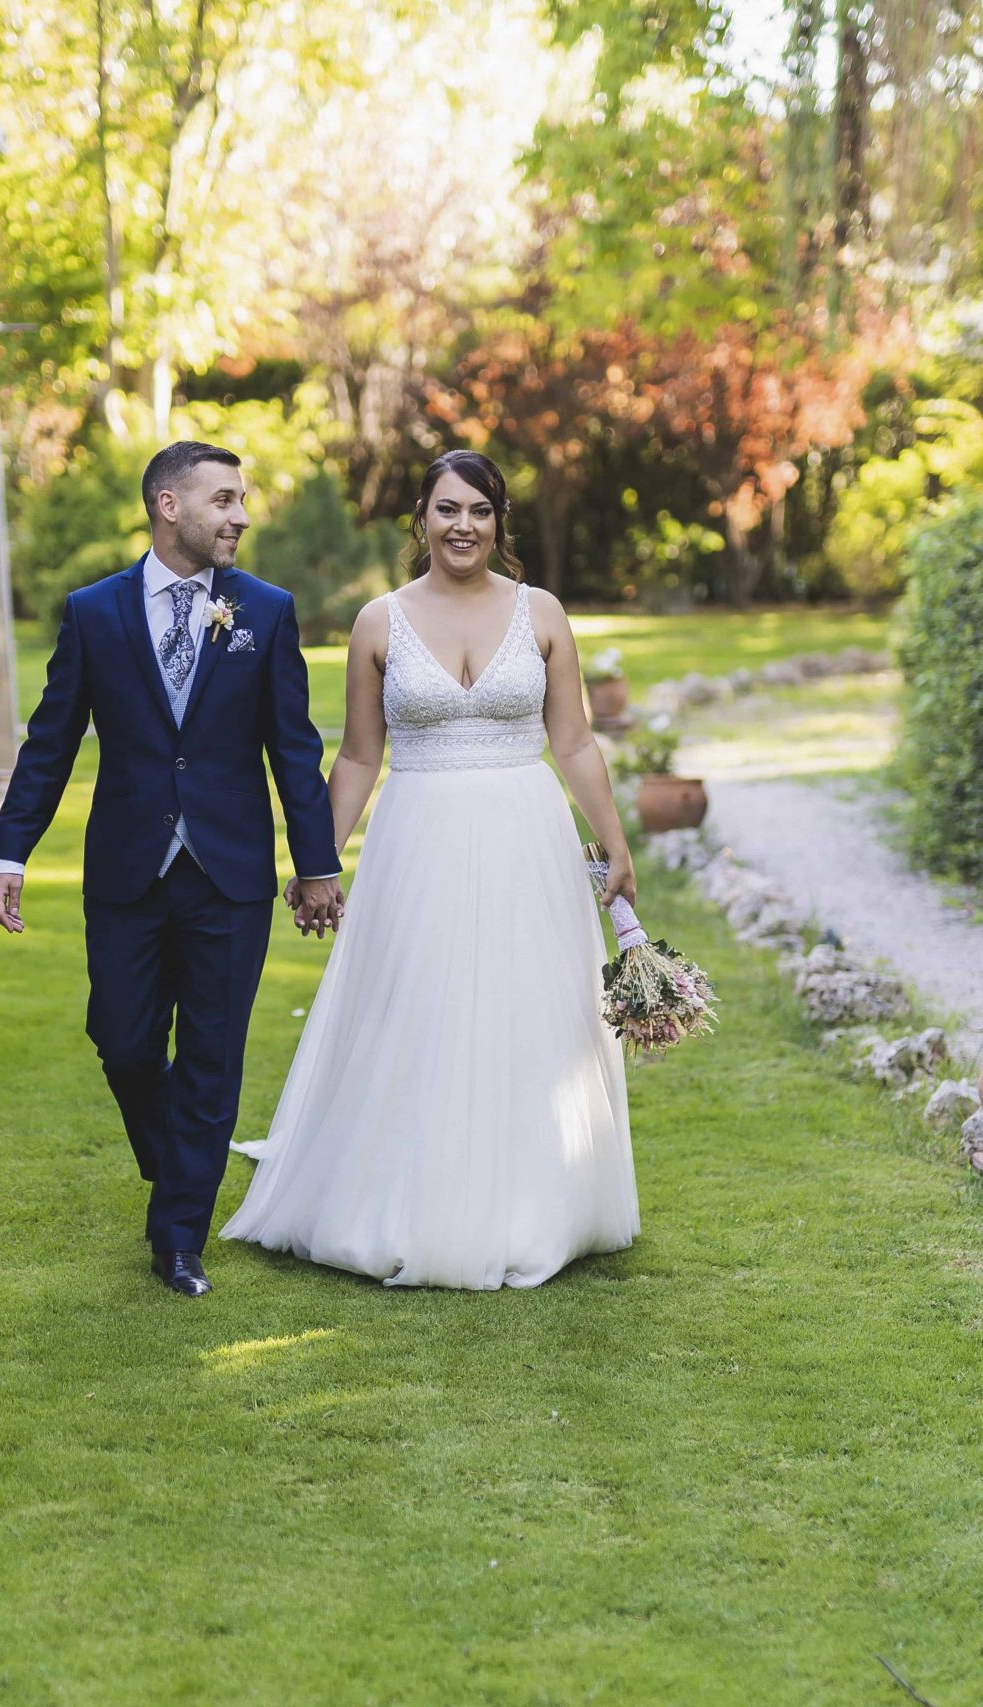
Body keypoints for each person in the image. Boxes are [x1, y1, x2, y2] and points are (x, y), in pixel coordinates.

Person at [220, 449, 639, 1289]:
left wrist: (614, 840)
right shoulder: (380, 621)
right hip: (418, 839)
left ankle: (534, 1202)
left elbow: (574, 741)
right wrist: (315, 861)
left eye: (480, 511)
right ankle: (406, 1200)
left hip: (526, 836)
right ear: (421, 518)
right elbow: (357, 757)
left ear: (499, 521)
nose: (463, 526)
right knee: (418, 1003)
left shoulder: (542, 611)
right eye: (448, 509)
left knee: (528, 1008)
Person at [0, 441, 344, 1298]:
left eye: (242, 498)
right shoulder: (94, 612)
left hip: (230, 873)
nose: (241, 516)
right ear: (168, 505)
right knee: (123, 1039)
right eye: (224, 499)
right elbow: (51, 741)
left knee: (213, 1056)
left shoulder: (265, 611)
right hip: (127, 869)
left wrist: (317, 863)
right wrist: (11, 849)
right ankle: (178, 1156)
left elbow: (294, 749)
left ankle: (179, 1236)